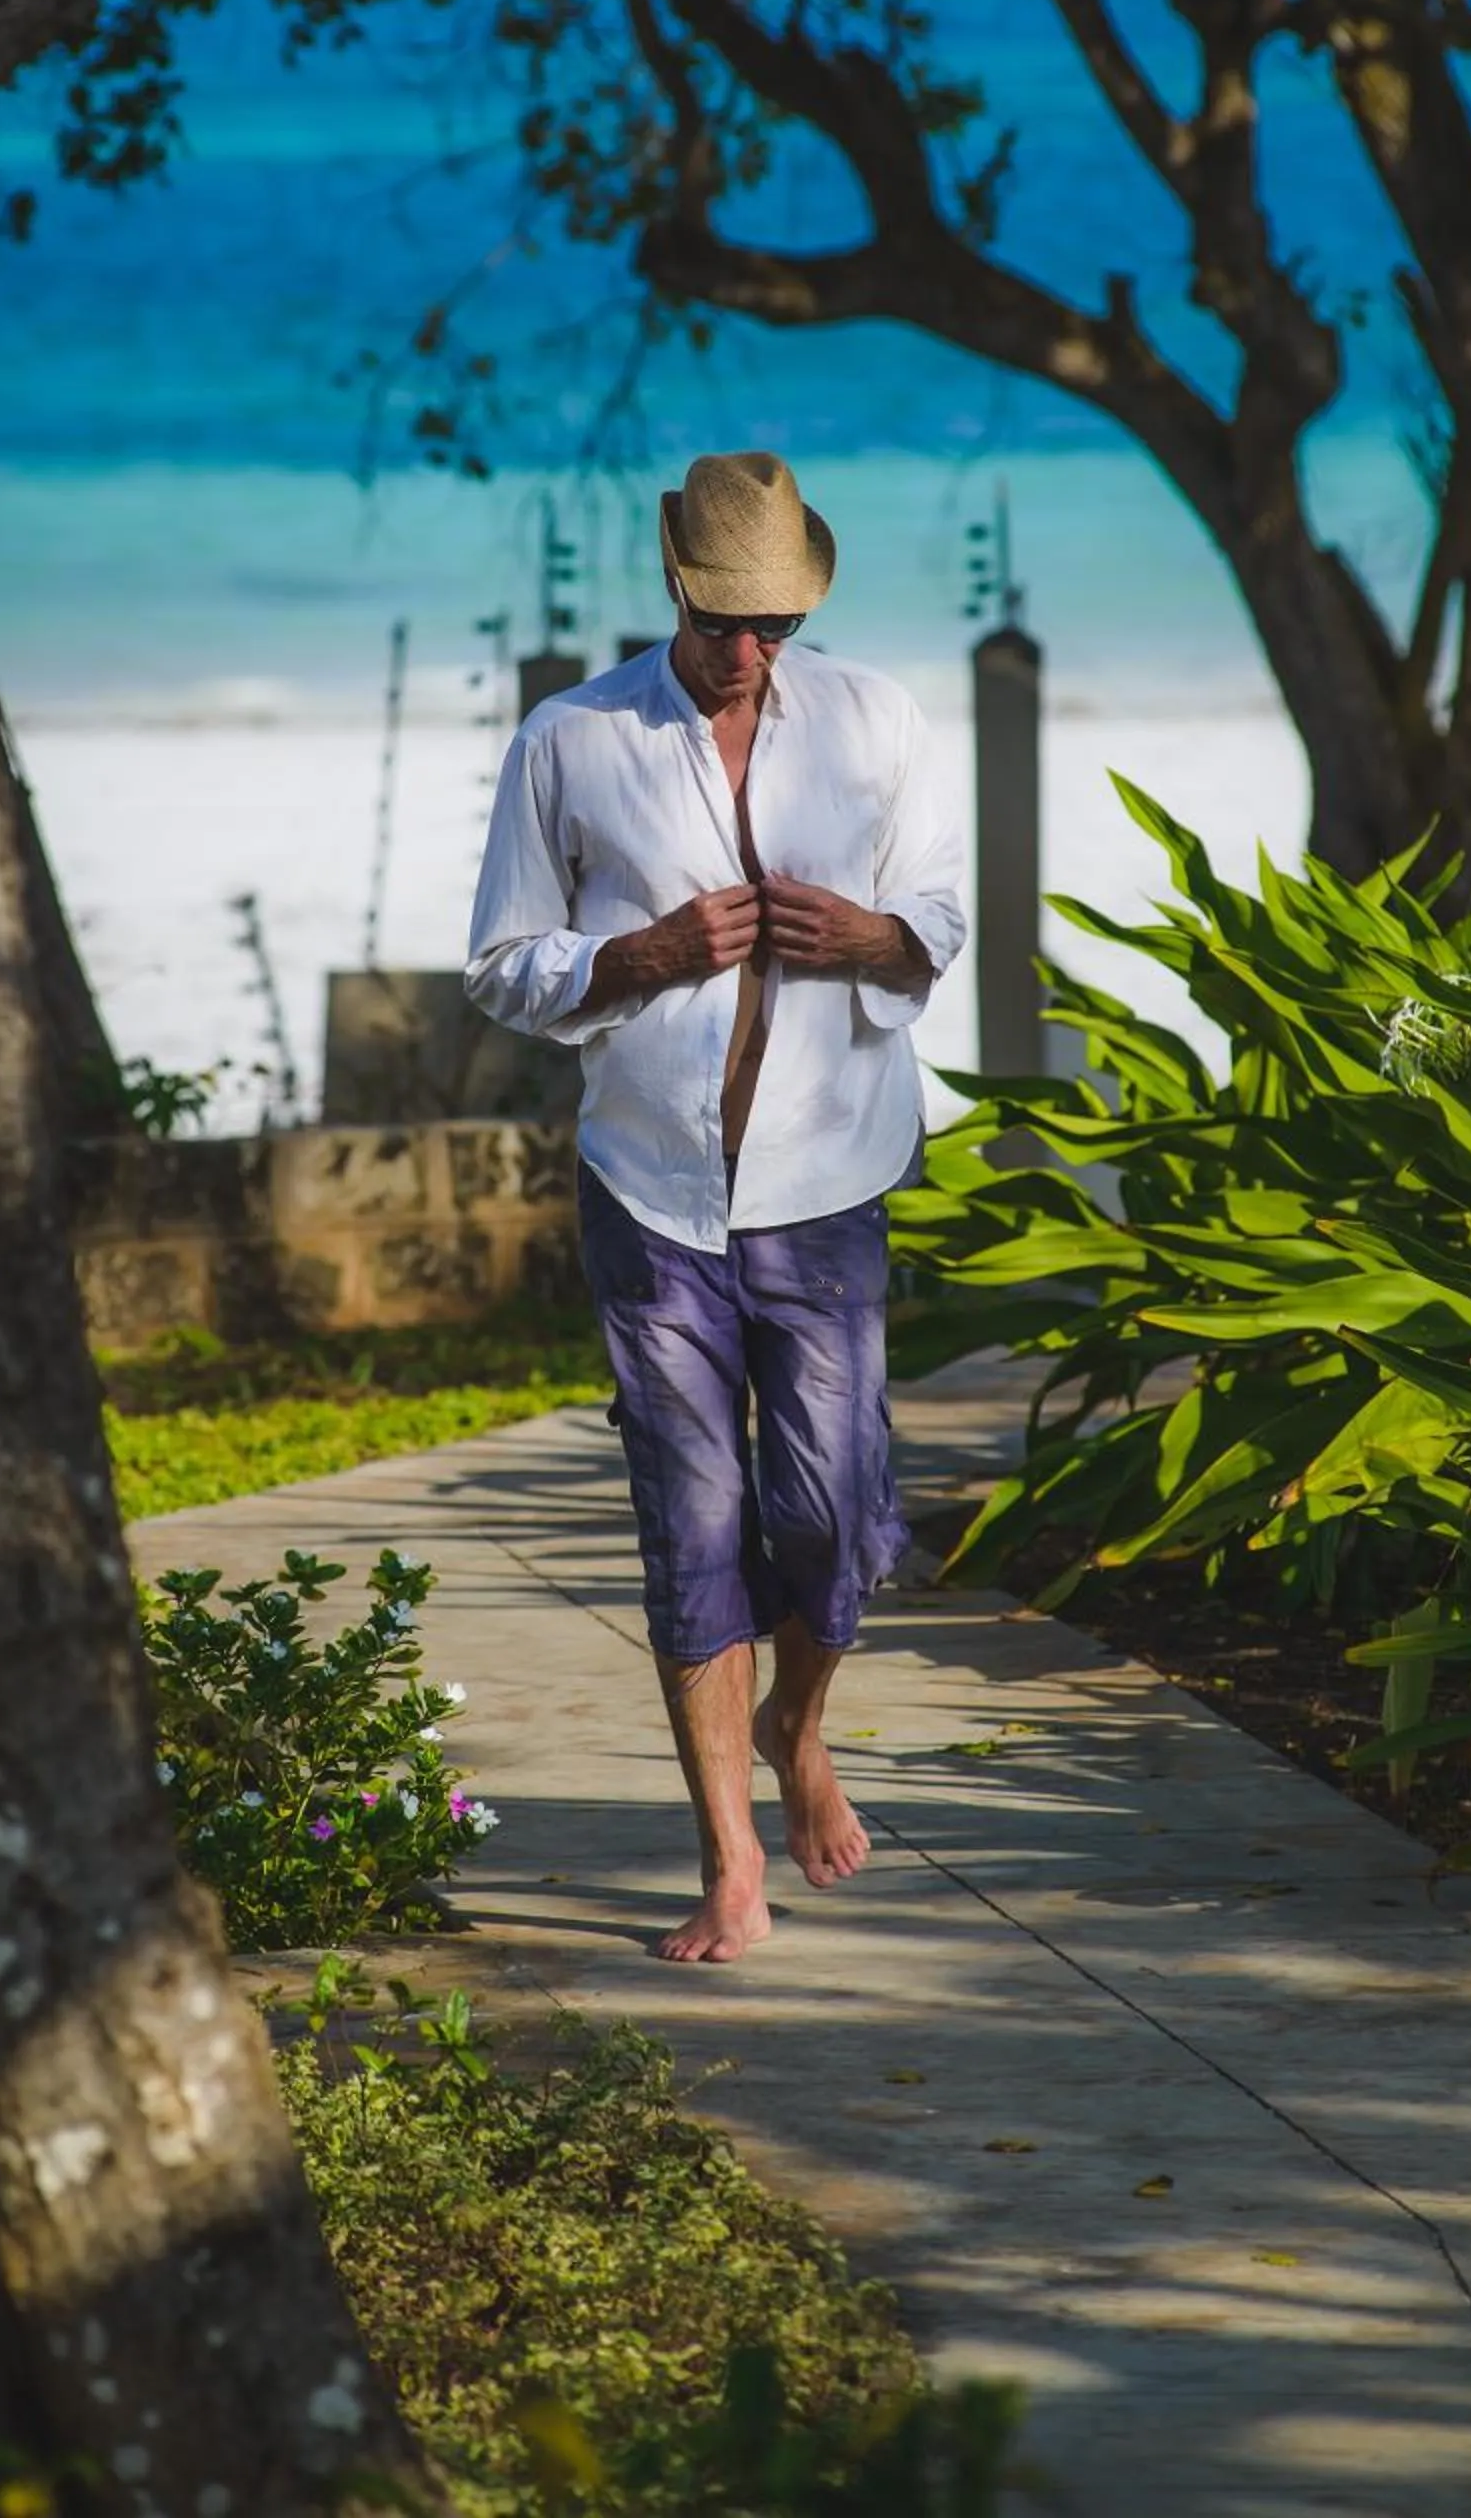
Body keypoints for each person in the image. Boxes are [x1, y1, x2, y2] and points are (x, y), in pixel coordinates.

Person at [466, 451, 966, 1963]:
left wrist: (873, 938)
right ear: (675, 586)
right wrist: (642, 957)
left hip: (825, 1181)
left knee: (833, 1519)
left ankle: (795, 1729)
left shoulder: (877, 719)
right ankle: (727, 1861)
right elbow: (500, 964)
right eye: (725, 621)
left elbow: (939, 911)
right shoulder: (573, 738)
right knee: (690, 1519)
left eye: (778, 624)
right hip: (649, 1190)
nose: (751, 650)